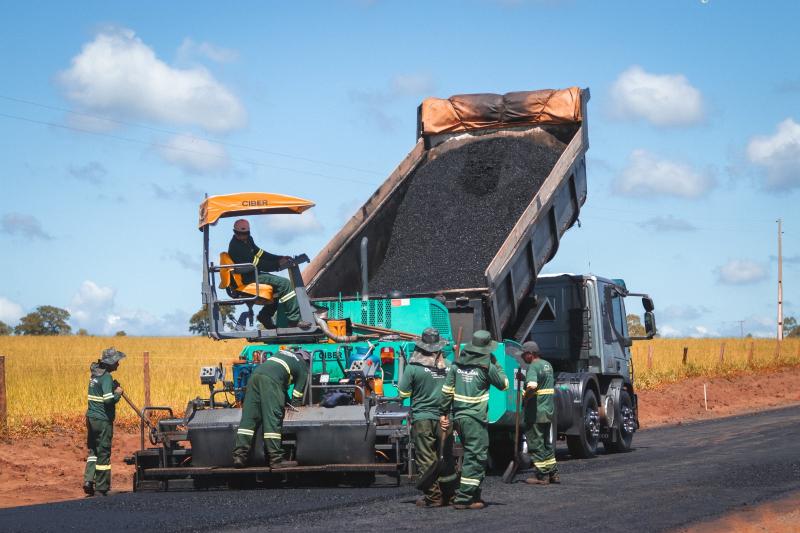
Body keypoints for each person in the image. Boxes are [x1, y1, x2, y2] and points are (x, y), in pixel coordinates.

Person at [440, 330, 508, 510]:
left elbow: (447, 392)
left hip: (459, 419)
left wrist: (443, 414)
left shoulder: (457, 365)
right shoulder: (487, 366)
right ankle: (463, 498)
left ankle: (475, 496)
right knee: (476, 457)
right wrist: (496, 363)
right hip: (475, 420)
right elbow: (504, 385)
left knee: (471, 456)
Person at [397, 327, 457, 507]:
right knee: (446, 458)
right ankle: (450, 495)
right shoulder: (449, 367)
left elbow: (403, 393)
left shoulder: (413, 368)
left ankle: (433, 497)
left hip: (423, 419)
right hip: (445, 418)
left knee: (426, 458)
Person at [232, 349, 310, 469]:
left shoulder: (282, 354)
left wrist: (284, 400)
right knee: (272, 418)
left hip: (255, 377)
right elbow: (297, 395)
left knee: (249, 418)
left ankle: (240, 457)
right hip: (271, 381)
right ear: (307, 360)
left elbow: (281, 381)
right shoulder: (303, 366)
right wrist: (297, 408)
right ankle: (276, 459)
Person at [227, 218, 303, 328]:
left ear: (249, 232)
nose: (242, 236)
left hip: (253, 274)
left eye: (245, 233)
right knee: (285, 284)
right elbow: (258, 264)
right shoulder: (236, 247)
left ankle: (264, 316)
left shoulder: (248, 240)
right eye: (239, 233)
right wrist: (277, 265)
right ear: (235, 232)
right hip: (247, 278)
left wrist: (279, 258)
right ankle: (294, 320)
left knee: (278, 288)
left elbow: (260, 253)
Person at [83, 347, 125, 496]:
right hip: (102, 420)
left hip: (91, 418)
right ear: (110, 363)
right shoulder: (106, 377)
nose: (118, 364)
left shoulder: (94, 375)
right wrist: (118, 394)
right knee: (104, 452)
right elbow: (107, 401)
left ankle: (88, 480)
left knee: (93, 450)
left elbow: (100, 393)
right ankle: (102, 487)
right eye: (116, 361)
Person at [520, 340, 560, 485]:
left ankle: (542, 476)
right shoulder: (547, 365)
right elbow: (542, 383)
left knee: (536, 444)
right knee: (546, 444)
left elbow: (532, 386)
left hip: (535, 412)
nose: (523, 357)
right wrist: (523, 379)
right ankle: (553, 473)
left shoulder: (532, 366)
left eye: (524, 355)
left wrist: (525, 397)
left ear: (530, 354)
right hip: (547, 411)